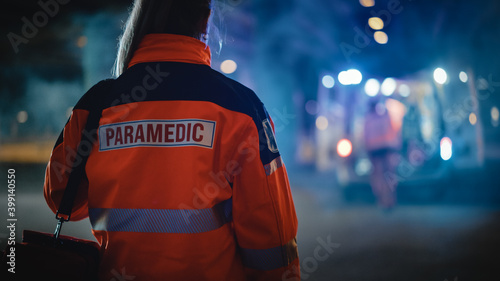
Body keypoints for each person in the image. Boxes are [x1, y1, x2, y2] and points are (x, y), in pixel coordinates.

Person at [43, 1, 300, 280]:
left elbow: (62, 199)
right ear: (205, 21)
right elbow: (271, 242)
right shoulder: (239, 107)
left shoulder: (97, 105)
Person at [363, 98, 401, 210]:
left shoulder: (368, 119)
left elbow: (365, 136)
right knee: (389, 174)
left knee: (378, 175)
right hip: (387, 148)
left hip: (374, 150)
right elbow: (393, 131)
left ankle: (381, 200)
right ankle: (391, 199)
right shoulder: (386, 117)